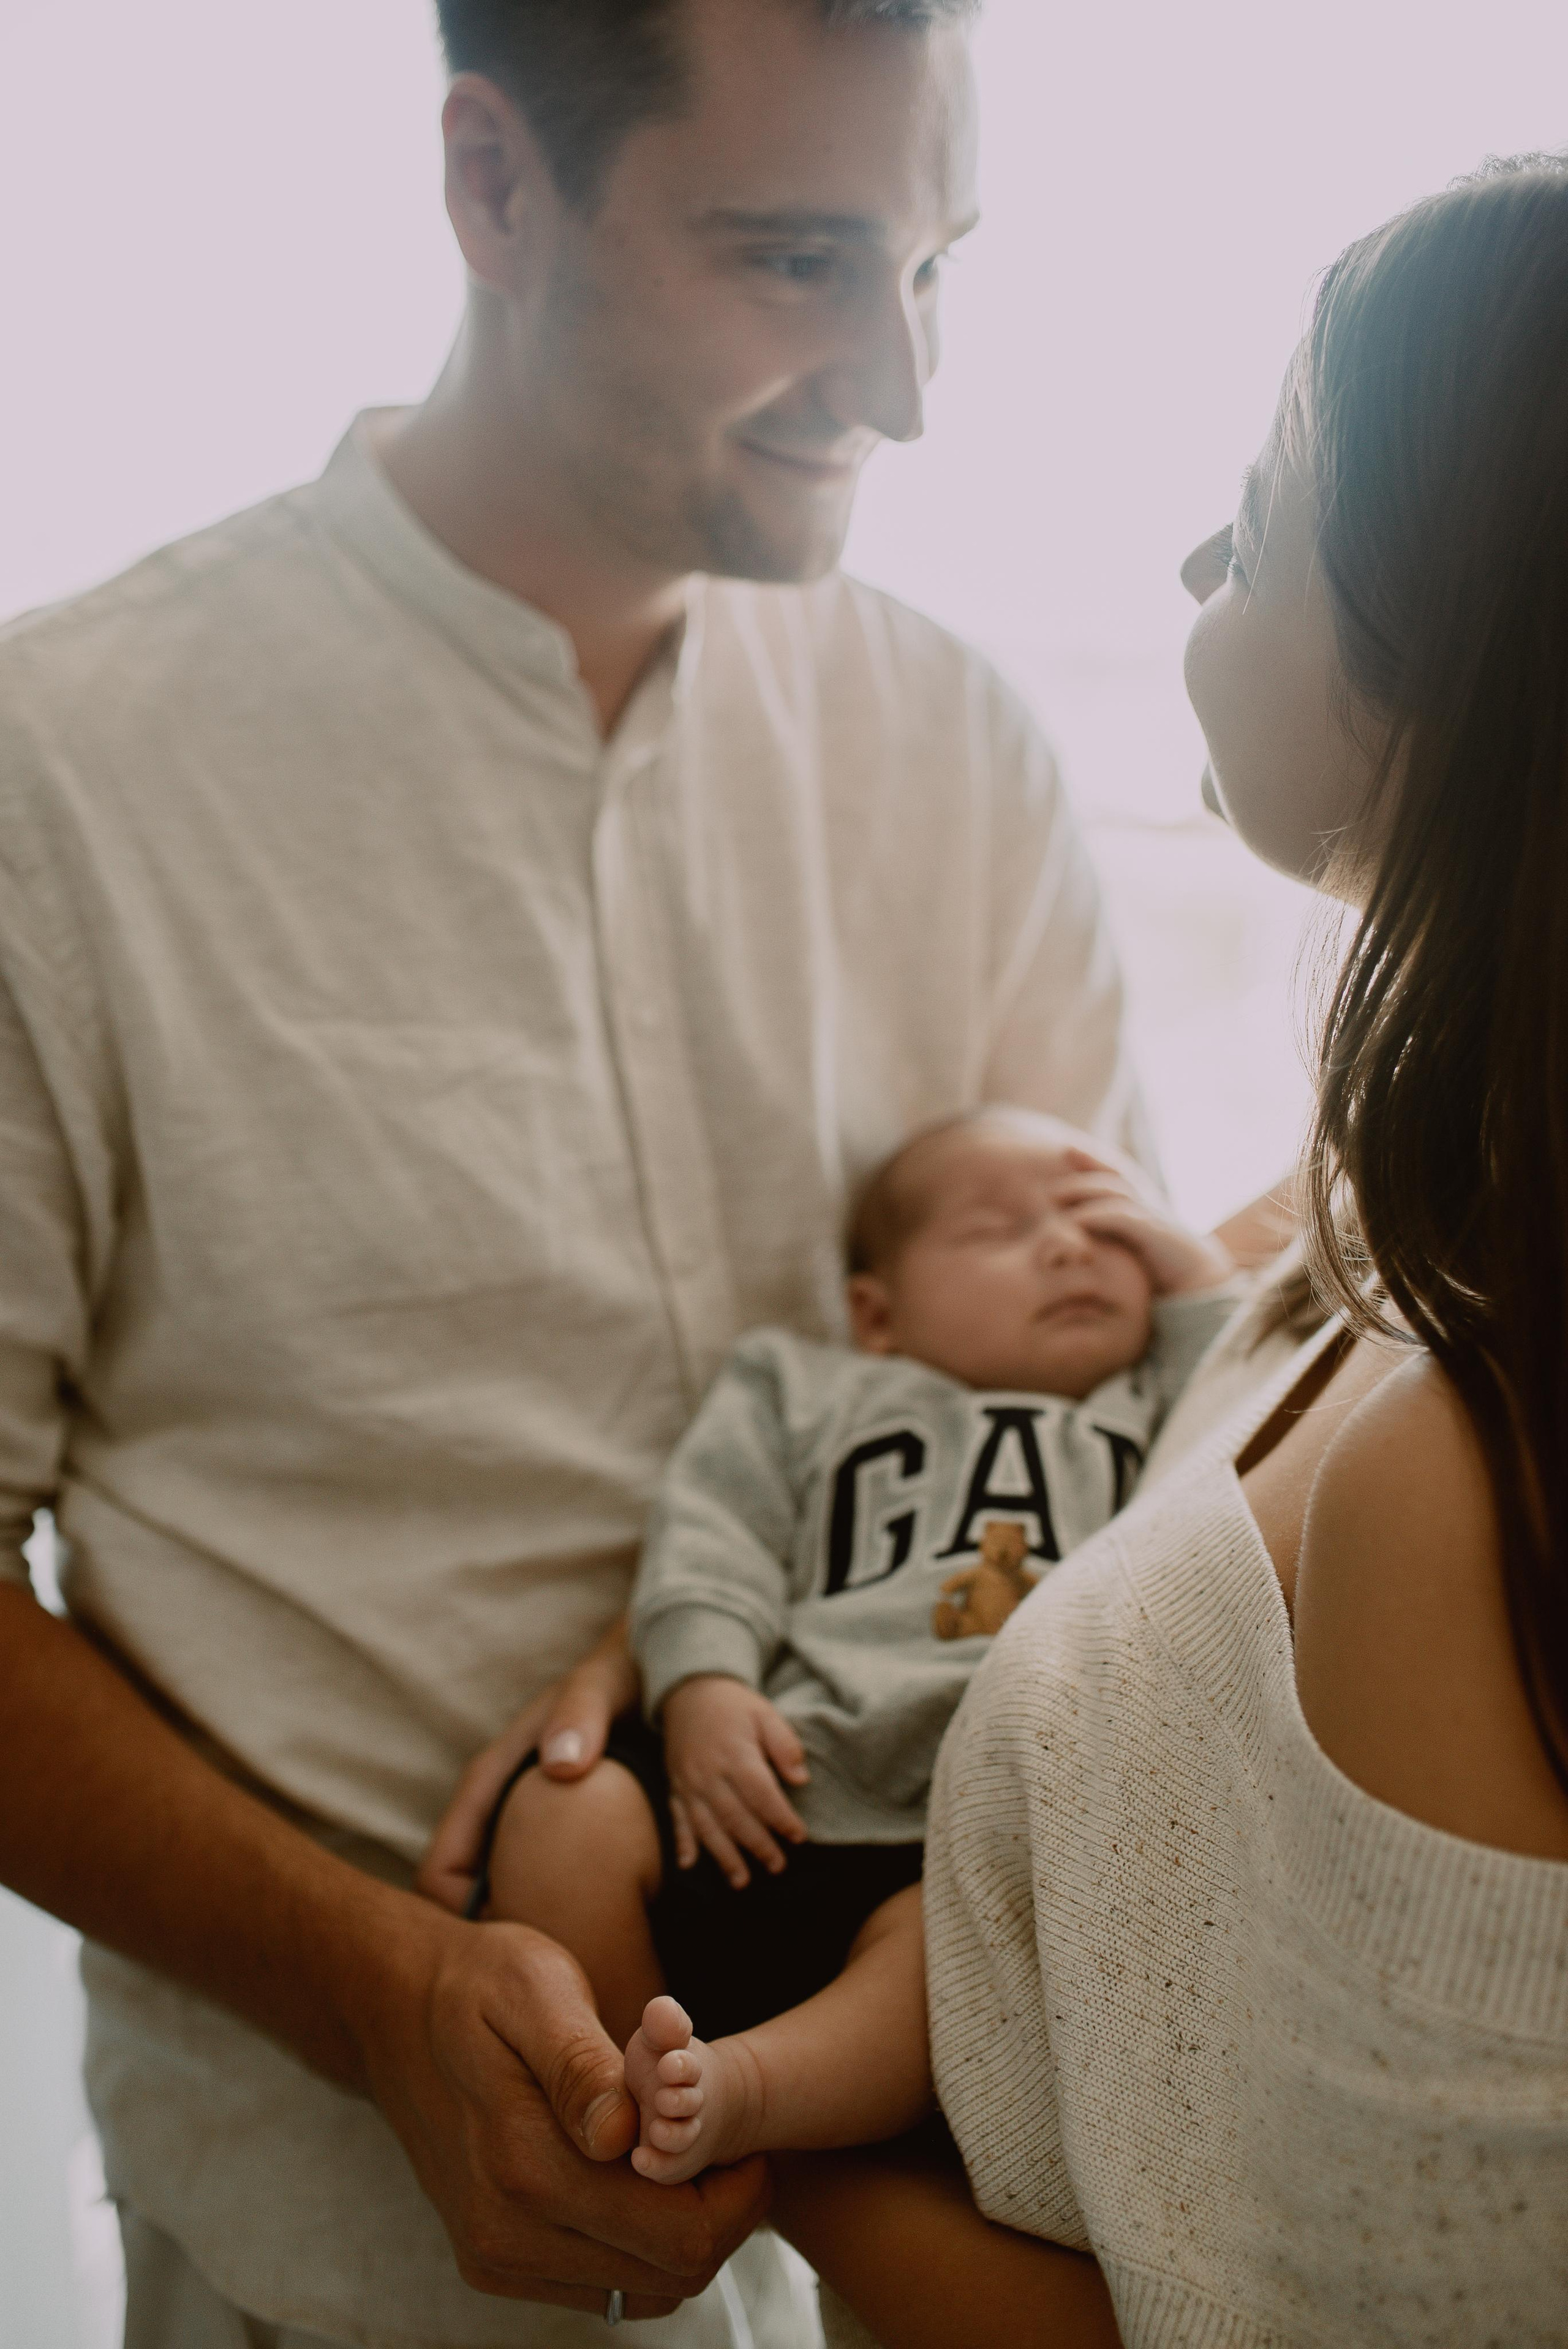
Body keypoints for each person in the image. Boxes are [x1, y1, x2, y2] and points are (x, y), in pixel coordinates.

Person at [0, 2, 1174, 2344]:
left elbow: (1128, 1443)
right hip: (317, 2263)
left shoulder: (965, 751)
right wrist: (369, 1990)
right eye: (797, 261)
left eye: (936, 265)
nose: (908, 387)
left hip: (915, 2251)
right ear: (493, 186)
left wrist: (692, 1605)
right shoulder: (66, 773)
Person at [738, 154, 1568, 2349]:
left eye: (1261, 511)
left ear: (1451, 644)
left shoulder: (1456, 1469)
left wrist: (791, 2141)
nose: (1195, 562)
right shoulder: (1395, 1220)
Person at [438, 1108, 1237, 2122]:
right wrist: (702, 1681)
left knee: (946, 1968)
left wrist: (1197, 1264)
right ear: (878, 1313)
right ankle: (614, 2076)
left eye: (1105, 1222)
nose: (1071, 1243)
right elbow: (714, 1531)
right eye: (998, 1229)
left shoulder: (1145, 1407)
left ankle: (741, 2093)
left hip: (952, 1839)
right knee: (562, 1816)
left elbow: (1255, 1397)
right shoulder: (804, 1389)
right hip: (760, 1783)